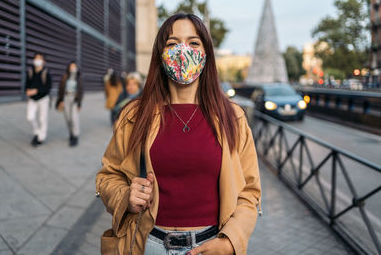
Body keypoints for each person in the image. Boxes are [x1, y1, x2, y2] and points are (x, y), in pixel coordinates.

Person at [96, 13, 261, 255]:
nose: (183, 50)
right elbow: (107, 177)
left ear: (206, 54)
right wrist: (125, 197)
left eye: (193, 43)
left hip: (211, 246)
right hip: (148, 245)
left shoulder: (232, 117)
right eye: (172, 44)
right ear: (160, 55)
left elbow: (250, 192)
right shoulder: (134, 115)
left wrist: (230, 241)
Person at [25, 52, 52, 146]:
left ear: (43, 61)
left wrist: (37, 91)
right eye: (36, 58)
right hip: (32, 99)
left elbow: (48, 87)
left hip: (43, 99)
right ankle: (37, 132)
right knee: (30, 117)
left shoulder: (46, 73)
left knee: (42, 119)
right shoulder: (30, 72)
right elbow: (27, 84)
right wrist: (27, 91)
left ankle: (41, 137)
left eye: (39, 59)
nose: (37, 60)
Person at [55, 62, 84, 146]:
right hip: (66, 98)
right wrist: (60, 100)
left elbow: (81, 91)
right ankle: (71, 133)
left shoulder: (79, 78)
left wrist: (79, 104)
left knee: (74, 118)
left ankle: (75, 135)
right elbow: (60, 89)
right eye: (71, 66)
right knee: (68, 118)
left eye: (74, 66)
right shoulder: (65, 77)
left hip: (74, 99)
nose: (73, 68)